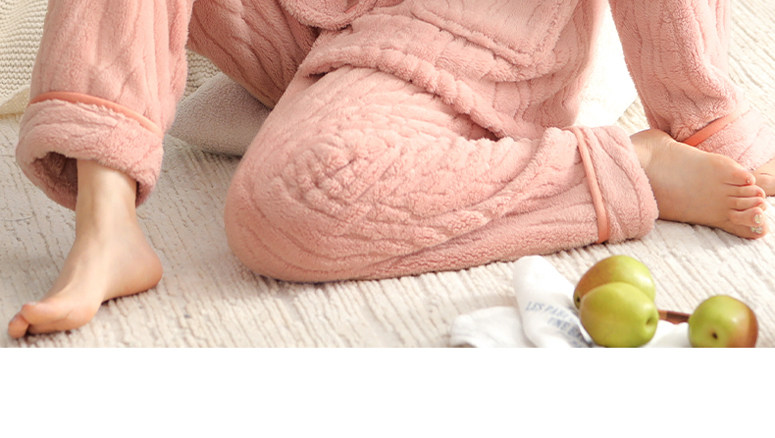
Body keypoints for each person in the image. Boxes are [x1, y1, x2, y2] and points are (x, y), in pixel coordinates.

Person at [8, 0, 775, 338]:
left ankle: (621, 168)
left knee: (293, 203)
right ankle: (106, 226)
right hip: (301, 18)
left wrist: (704, 121)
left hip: (457, 35)